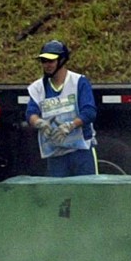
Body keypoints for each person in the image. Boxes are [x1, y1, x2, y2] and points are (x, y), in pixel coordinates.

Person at [26, 40, 98, 177]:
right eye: (43, 61)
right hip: (55, 153)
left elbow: (89, 111)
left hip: (81, 151)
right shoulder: (38, 87)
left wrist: (70, 126)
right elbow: (31, 112)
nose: (47, 65)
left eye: (51, 61)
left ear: (62, 60)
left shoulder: (78, 82)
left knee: (87, 193)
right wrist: (39, 123)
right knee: (58, 196)